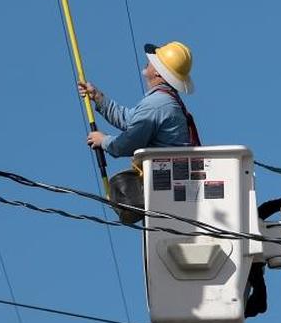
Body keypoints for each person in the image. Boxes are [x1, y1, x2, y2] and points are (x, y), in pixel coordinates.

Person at [78, 41, 200, 223]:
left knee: (121, 187)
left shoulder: (157, 104)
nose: (148, 62)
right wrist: (99, 98)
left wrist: (104, 141)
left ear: (158, 72)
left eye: (154, 61)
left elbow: (130, 141)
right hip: (173, 184)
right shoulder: (163, 101)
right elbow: (131, 121)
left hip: (168, 186)